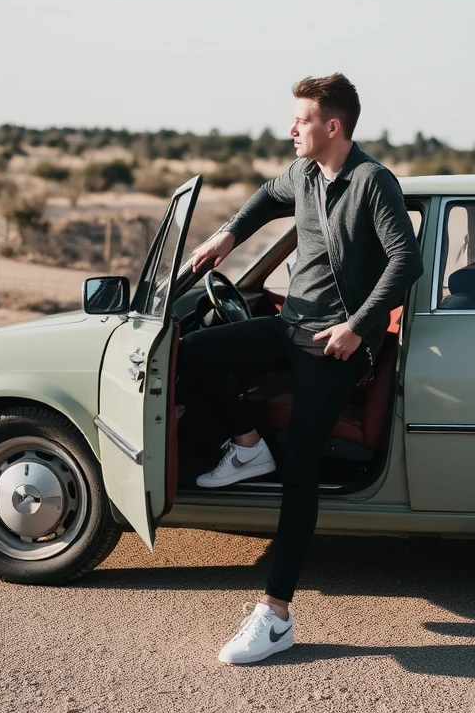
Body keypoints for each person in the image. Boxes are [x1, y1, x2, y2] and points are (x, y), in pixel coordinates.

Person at [178, 72, 422, 664]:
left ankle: (276, 614)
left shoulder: (372, 183)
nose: (291, 129)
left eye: (302, 119)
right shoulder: (306, 176)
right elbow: (266, 195)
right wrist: (230, 235)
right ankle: (246, 445)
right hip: (290, 328)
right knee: (188, 352)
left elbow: (405, 261)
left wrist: (357, 326)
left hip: (335, 347)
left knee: (302, 468)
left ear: (332, 126)